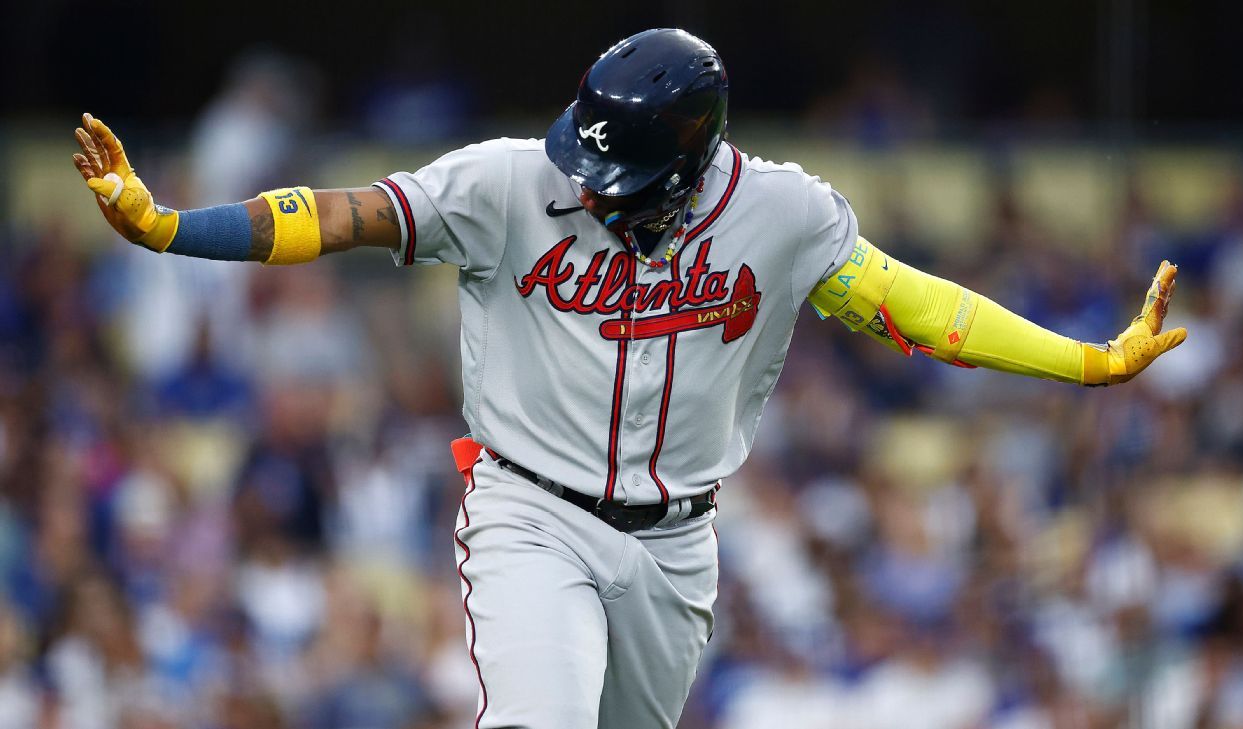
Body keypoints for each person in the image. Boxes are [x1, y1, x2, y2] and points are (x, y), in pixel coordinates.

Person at [73, 28, 1185, 729]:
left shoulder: (782, 213)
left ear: (698, 160)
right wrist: (174, 228)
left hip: (677, 543)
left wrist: (1081, 360)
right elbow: (342, 214)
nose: (595, 188)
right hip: (529, 513)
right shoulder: (508, 184)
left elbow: (919, 307)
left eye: (625, 174)